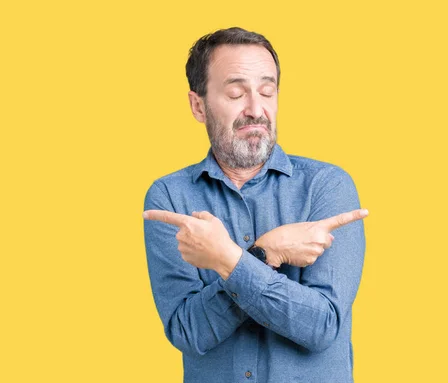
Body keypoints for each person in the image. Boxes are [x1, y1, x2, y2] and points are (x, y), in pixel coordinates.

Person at [143, 27, 368, 383]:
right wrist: (265, 252)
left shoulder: (327, 187)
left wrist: (228, 259)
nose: (256, 109)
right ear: (198, 105)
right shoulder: (170, 198)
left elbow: (322, 326)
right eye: (236, 93)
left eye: (267, 91)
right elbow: (189, 332)